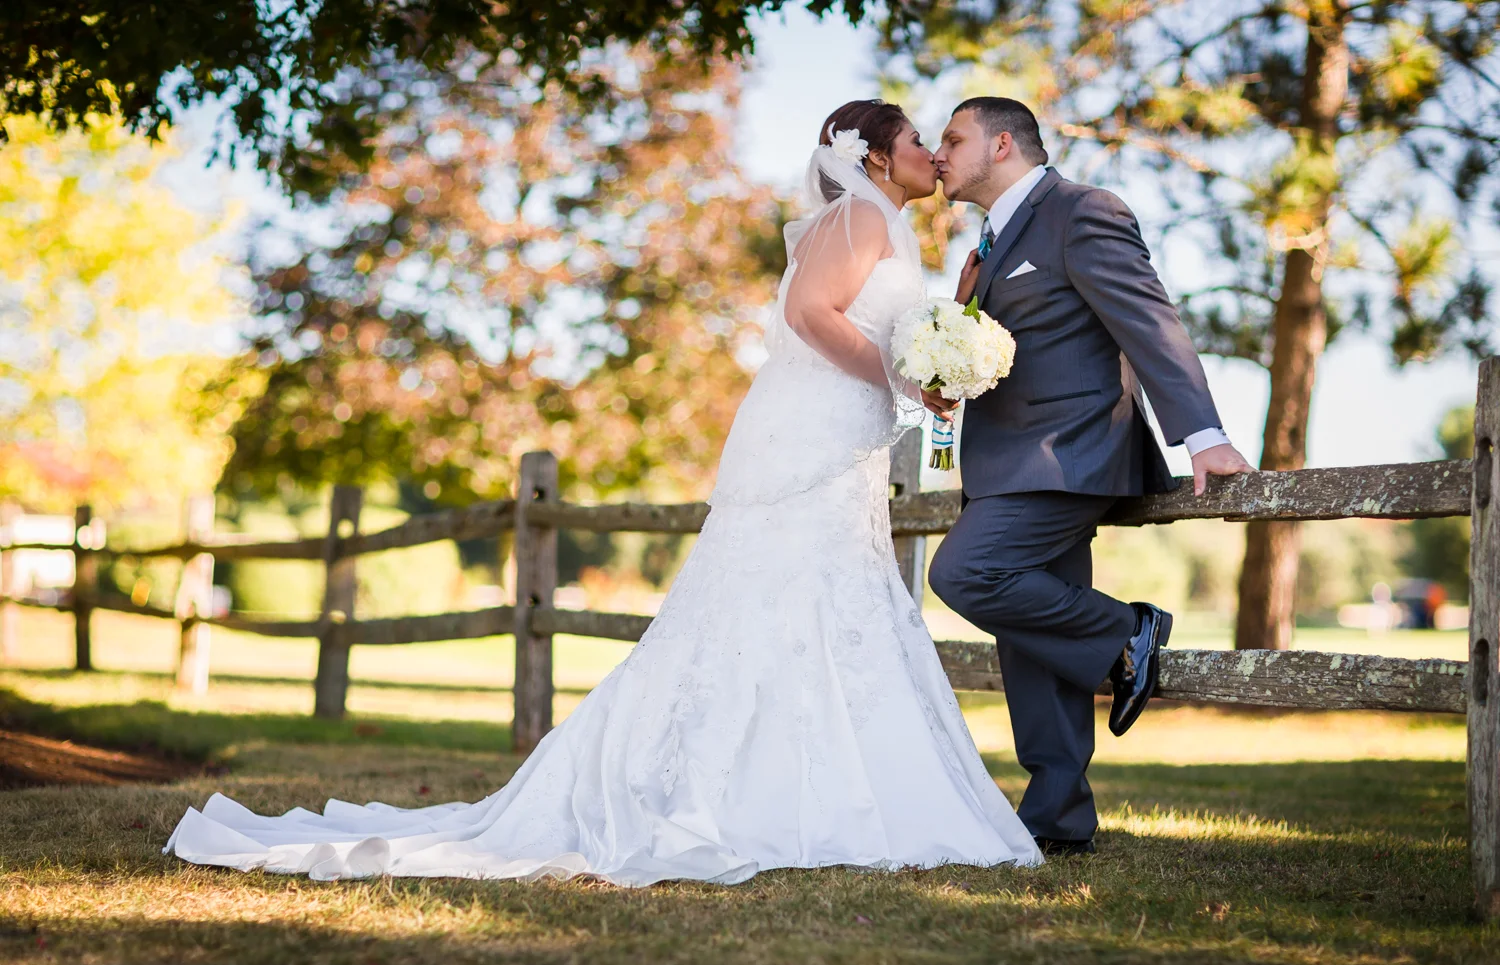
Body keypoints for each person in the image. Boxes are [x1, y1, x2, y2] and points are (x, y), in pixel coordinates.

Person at [163, 99, 1046, 885]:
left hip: (842, 444)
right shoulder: (857, 219)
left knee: (831, 595)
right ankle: (762, 791)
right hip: (812, 433)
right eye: (920, 140)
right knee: (783, 591)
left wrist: (934, 351)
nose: (934, 152)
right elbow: (810, 318)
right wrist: (901, 370)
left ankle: (833, 784)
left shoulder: (886, 226)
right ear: (877, 159)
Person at [926, 97, 1254, 856]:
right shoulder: (987, 243)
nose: (940, 154)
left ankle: (1128, 630)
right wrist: (947, 369)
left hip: (1070, 456)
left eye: (953, 138)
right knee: (1032, 642)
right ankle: (1059, 819)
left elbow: (1147, 318)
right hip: (1003, 463)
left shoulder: (1081, 210)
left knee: (967, 574)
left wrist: (1203, 434)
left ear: (1002, 143)